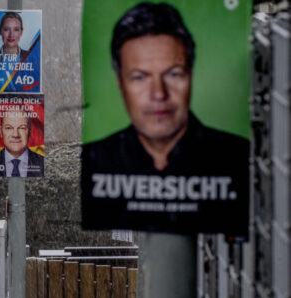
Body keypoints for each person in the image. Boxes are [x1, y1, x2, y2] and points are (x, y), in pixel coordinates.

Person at [81, 2, 249, 232]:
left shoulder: (237, 157)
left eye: (173, 74)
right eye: (140, 77)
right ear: (120, 83)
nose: (158, 94)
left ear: (191, 75)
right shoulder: (95, 159)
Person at [0, 111, 44, 177]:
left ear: (29, 132)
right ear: (1, 132)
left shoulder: (43, 163)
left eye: (22, 128)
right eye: (8, 128)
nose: (15, 135)